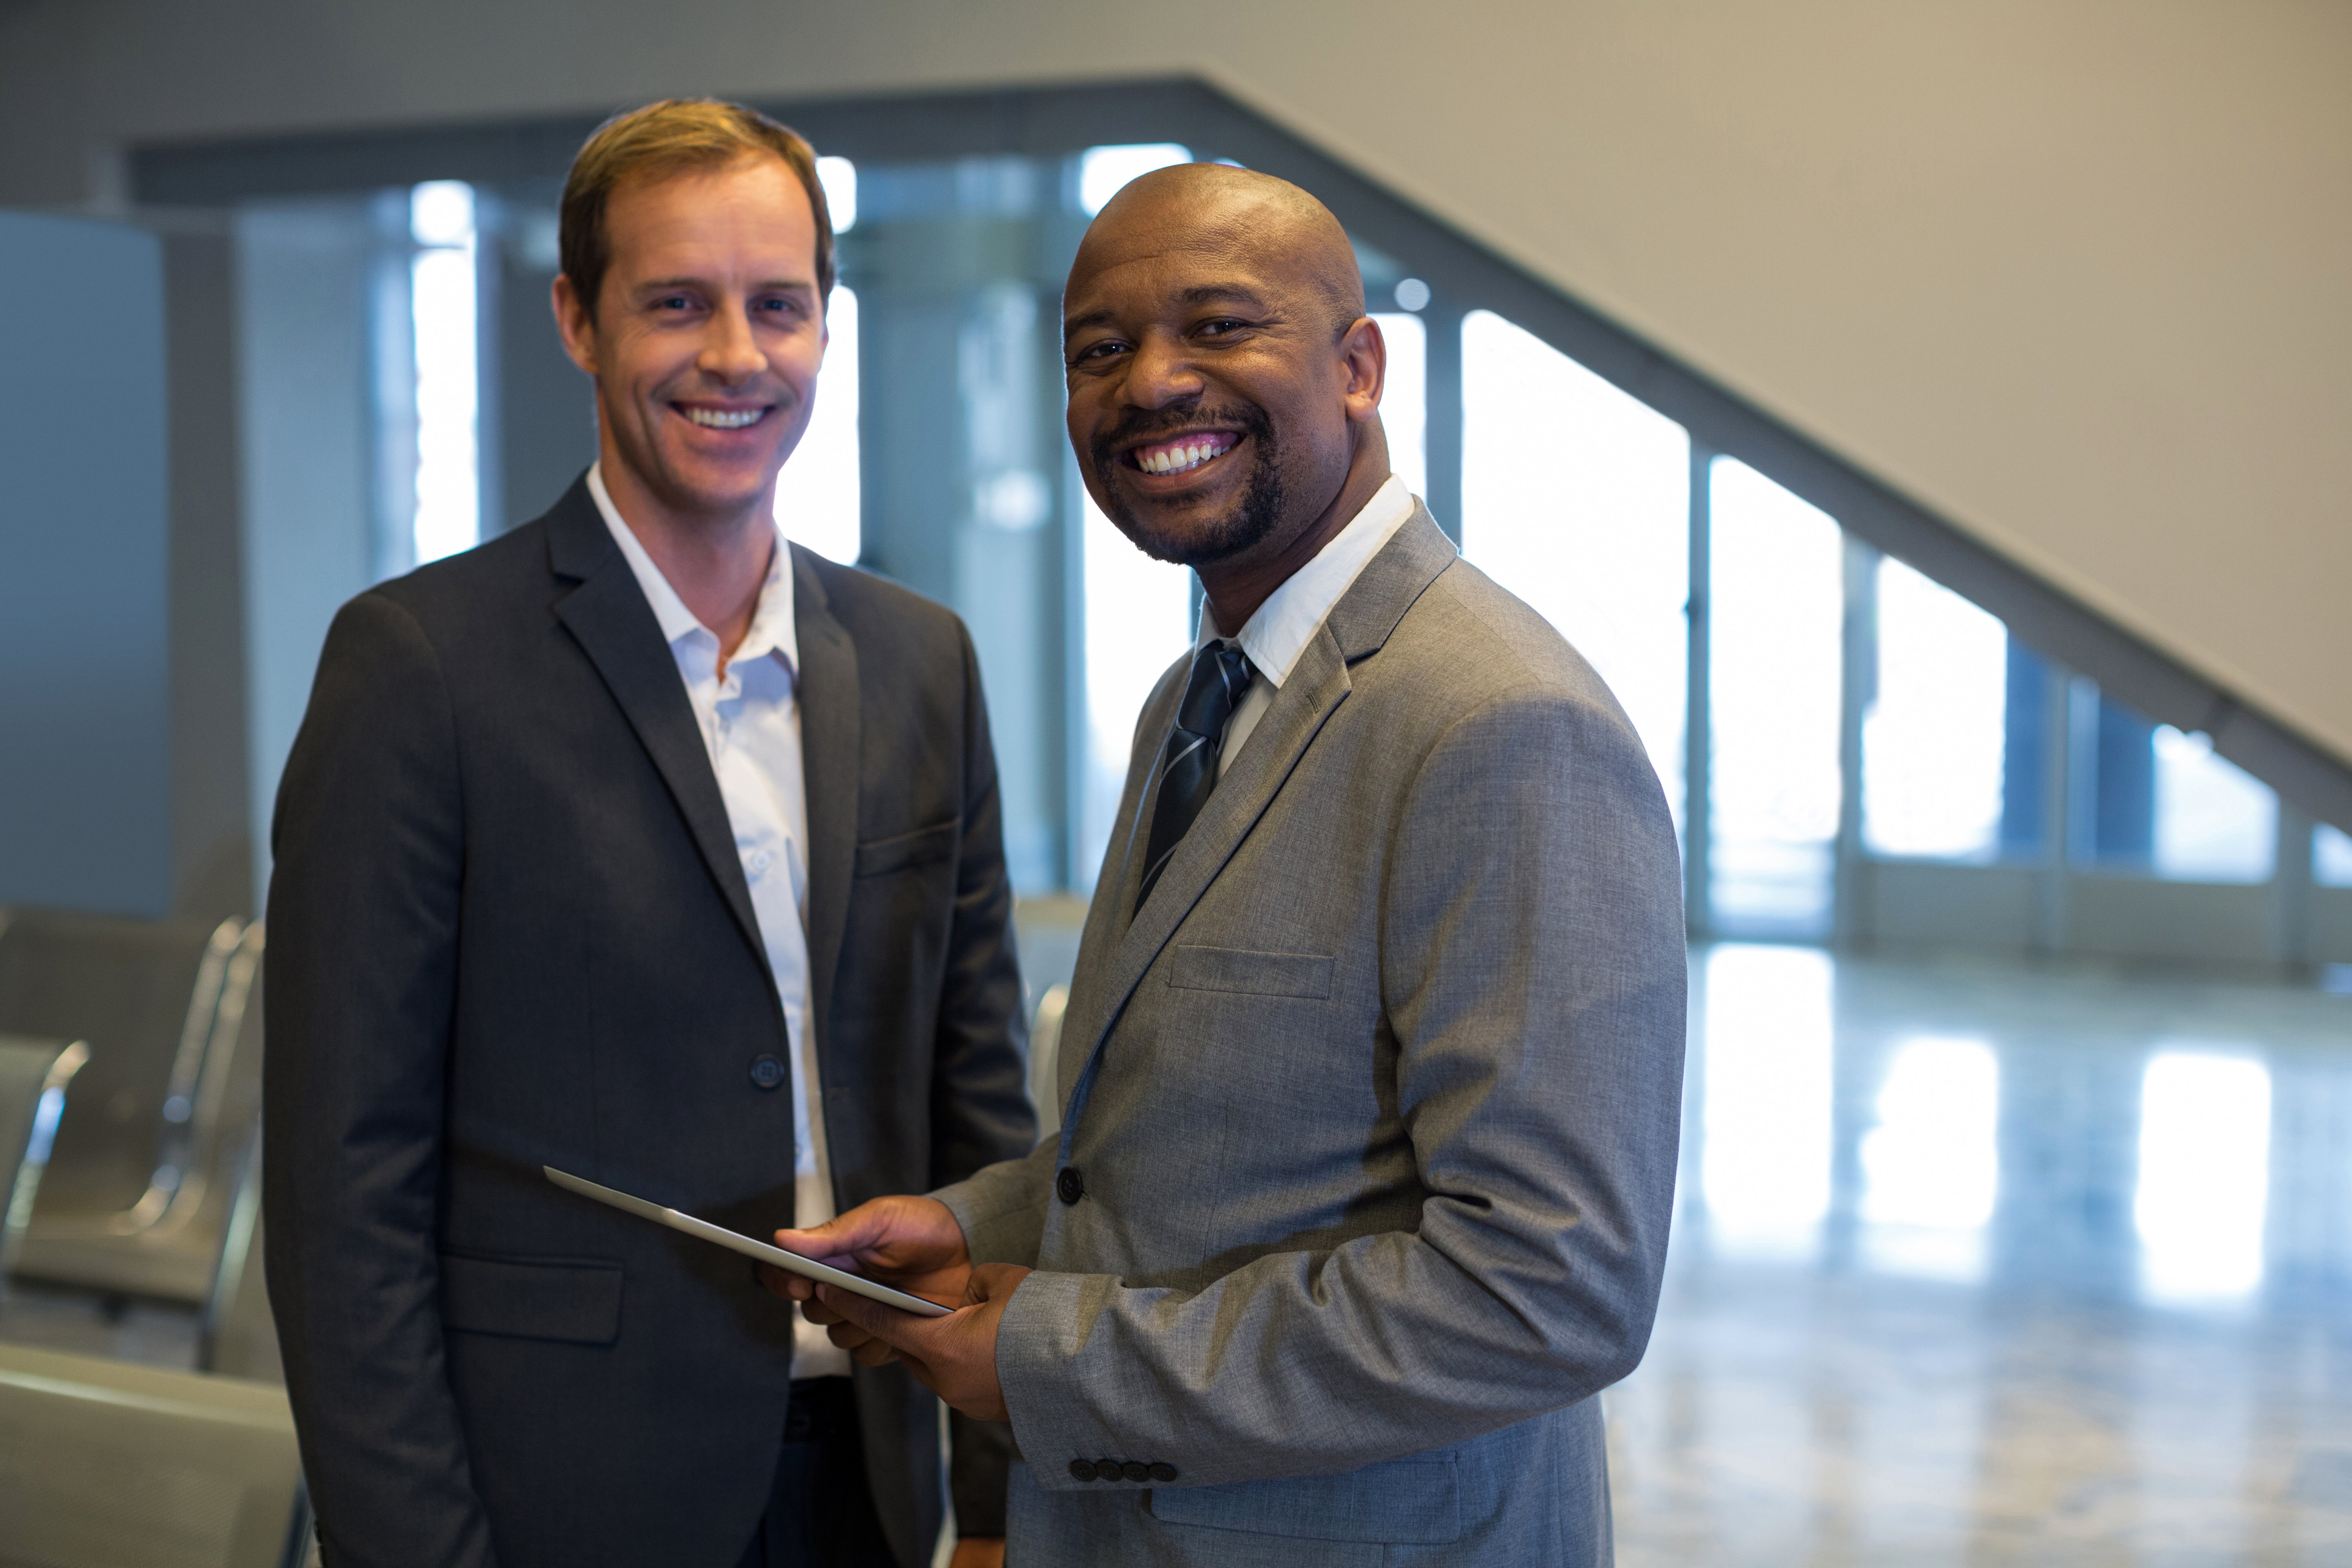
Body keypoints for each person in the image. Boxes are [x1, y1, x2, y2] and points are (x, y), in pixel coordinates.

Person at [764, 164, 1688, 1564]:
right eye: (1099, 349)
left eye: (1217, 326)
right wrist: (976, 1225)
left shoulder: (1499, 723)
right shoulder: (1202, 698)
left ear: (1359, 367)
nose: (1150, 383)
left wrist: (1054, 1356)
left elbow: (1545, 1291)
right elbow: (1197, 1152)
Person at [264, 100, 1032, 1568]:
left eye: (778, 306)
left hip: (871, 1487)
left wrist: (1000, 1505)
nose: (737, 357)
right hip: (555, 1499)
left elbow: (979, 1111)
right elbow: (338, 1193)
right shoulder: (419, 666)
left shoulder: (925, 658)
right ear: (577, 318)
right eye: (677, 303)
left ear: (826, 324)